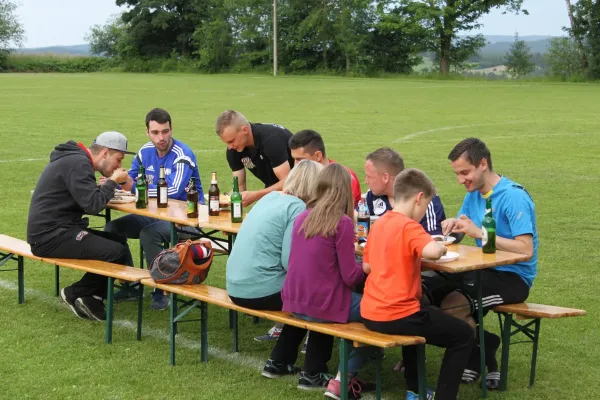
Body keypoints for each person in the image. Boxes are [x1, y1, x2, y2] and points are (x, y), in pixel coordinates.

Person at [361, 168, 475, 400]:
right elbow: (432, 251)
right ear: (419, 198)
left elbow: (367, 267)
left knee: (422, 313)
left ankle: (415, 390)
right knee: (463, 335)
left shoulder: (380, 224)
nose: (424, 213)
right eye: (425, 206)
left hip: (371, 312)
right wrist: (441, 245)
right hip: (397, 315)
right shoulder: (409, 226)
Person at [436, 138, 538, 389]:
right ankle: (484, 344)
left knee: (453, 306)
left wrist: (480, 233)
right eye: (457, 174)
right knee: (428, 291)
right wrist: (451, 228)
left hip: (512, 277)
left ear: (483, 164)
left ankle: (476, 353)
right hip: (480, 269)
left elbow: (526, 249)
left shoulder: (513, 196)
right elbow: (464, 228)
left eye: (464, 172)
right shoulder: (474, 194)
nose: (461, 180)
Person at [262, 164, 369, 396]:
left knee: (325, 293)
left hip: (293, 301)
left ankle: (280, 361)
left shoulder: (302, 217)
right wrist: (368, 266)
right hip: (320, 305)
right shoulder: (342, 223)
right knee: (379, 308)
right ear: (345, 192)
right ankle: (344, 374)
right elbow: (350, 276)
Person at [27, 131, 134, 321]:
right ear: (105, 153)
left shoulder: (75, 160)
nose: (119, 166)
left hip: (58, 230)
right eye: (118, 160)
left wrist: (106, 187)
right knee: (115, 251)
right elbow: (93, 205)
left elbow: (85, 197)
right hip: (49, 237)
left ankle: (93, 297)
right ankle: (73, 292)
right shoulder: (78, 164)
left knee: (118, 243)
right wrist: (111, 182)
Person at [104, 108, 203, 311]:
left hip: (187, 220)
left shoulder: (182, 155)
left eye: (165, 131)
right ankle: (130, 285)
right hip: (154, 215)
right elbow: (128, 179)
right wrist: (111, 182)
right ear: (147, 132)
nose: (161, 137)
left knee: (149, 234)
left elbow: (174, 192)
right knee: (113, 228)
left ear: (171, 129)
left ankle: (161, 290)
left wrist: (133, 186)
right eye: (156, 132)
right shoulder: (144, 152)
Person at [226, 159, 323, 310]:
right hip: (261, 292)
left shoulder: (269, 197)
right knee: (322, 290)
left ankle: (287, 333)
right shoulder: (298, 207)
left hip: (234, 287)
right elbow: (289, 261)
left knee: (308, 291)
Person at [215, 110, 294, 207]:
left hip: (304, 186)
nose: (230, 147)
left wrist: (256, 195)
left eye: (232, 141)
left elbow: (288, 183)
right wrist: (223, 201)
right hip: (276, 187)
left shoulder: (271, 140)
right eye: (227, 142)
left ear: (245, 130)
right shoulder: (233, 150)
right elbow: (240, 187)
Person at [364, 147, 446, 235]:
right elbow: (359, 222)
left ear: (385, 178)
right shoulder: (373, 194)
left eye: (369, 177)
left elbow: (433, 240)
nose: (366, 181)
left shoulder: (425, 199)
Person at [288, 129, 362, 207]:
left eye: (300, 160)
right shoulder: (301, 175)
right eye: (294, 159)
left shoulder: (343, 177)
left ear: (318, 156)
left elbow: (337, 212)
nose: (296, 165)